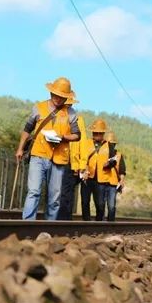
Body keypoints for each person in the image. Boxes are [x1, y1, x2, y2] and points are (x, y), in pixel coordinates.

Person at [15, 77, 80, 220]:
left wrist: (62, 137)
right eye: (57, 95)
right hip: (38, 154)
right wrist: (20, 149)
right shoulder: (39, 108)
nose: (58, 99)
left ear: (66, 98)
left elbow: (77, 135)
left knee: (54, 197)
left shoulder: (71, 113)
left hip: (59, 159)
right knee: (34, 191)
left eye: (62, 97)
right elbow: (27, 129)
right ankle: (27, 224)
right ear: (51, 93)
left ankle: (49, 226)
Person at [57, 91, 88, 220]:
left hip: (70, 162)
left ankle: (64, 221)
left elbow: (83, 143)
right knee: (56, 192)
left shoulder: (78, 120)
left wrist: (82, 165)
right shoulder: (57, 117)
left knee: (66, 193)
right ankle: (56, 219)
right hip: (57, 158)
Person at [82, 118, 108, 220]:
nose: (97, 135)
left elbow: (113, 160)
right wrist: (84, 169)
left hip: (101, 178)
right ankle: (86, 221)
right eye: (95, 132)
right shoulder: (86, 143)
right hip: (87, 176)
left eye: (99, 133)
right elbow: (82, 157)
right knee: (85, 201)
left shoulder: (108, 145)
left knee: (100, 203)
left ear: (103, 133)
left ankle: (98, 221)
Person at [99, 131, 126, 221]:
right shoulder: (100, 153)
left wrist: (121, 181)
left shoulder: (119, 155)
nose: (110, 145)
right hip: (101, 181)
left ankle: (110, 224)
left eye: (112, 144)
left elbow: (122, 170)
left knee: (111, 206)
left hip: (113, 184)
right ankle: (99, 223)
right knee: (100, 204)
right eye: (109, 144)